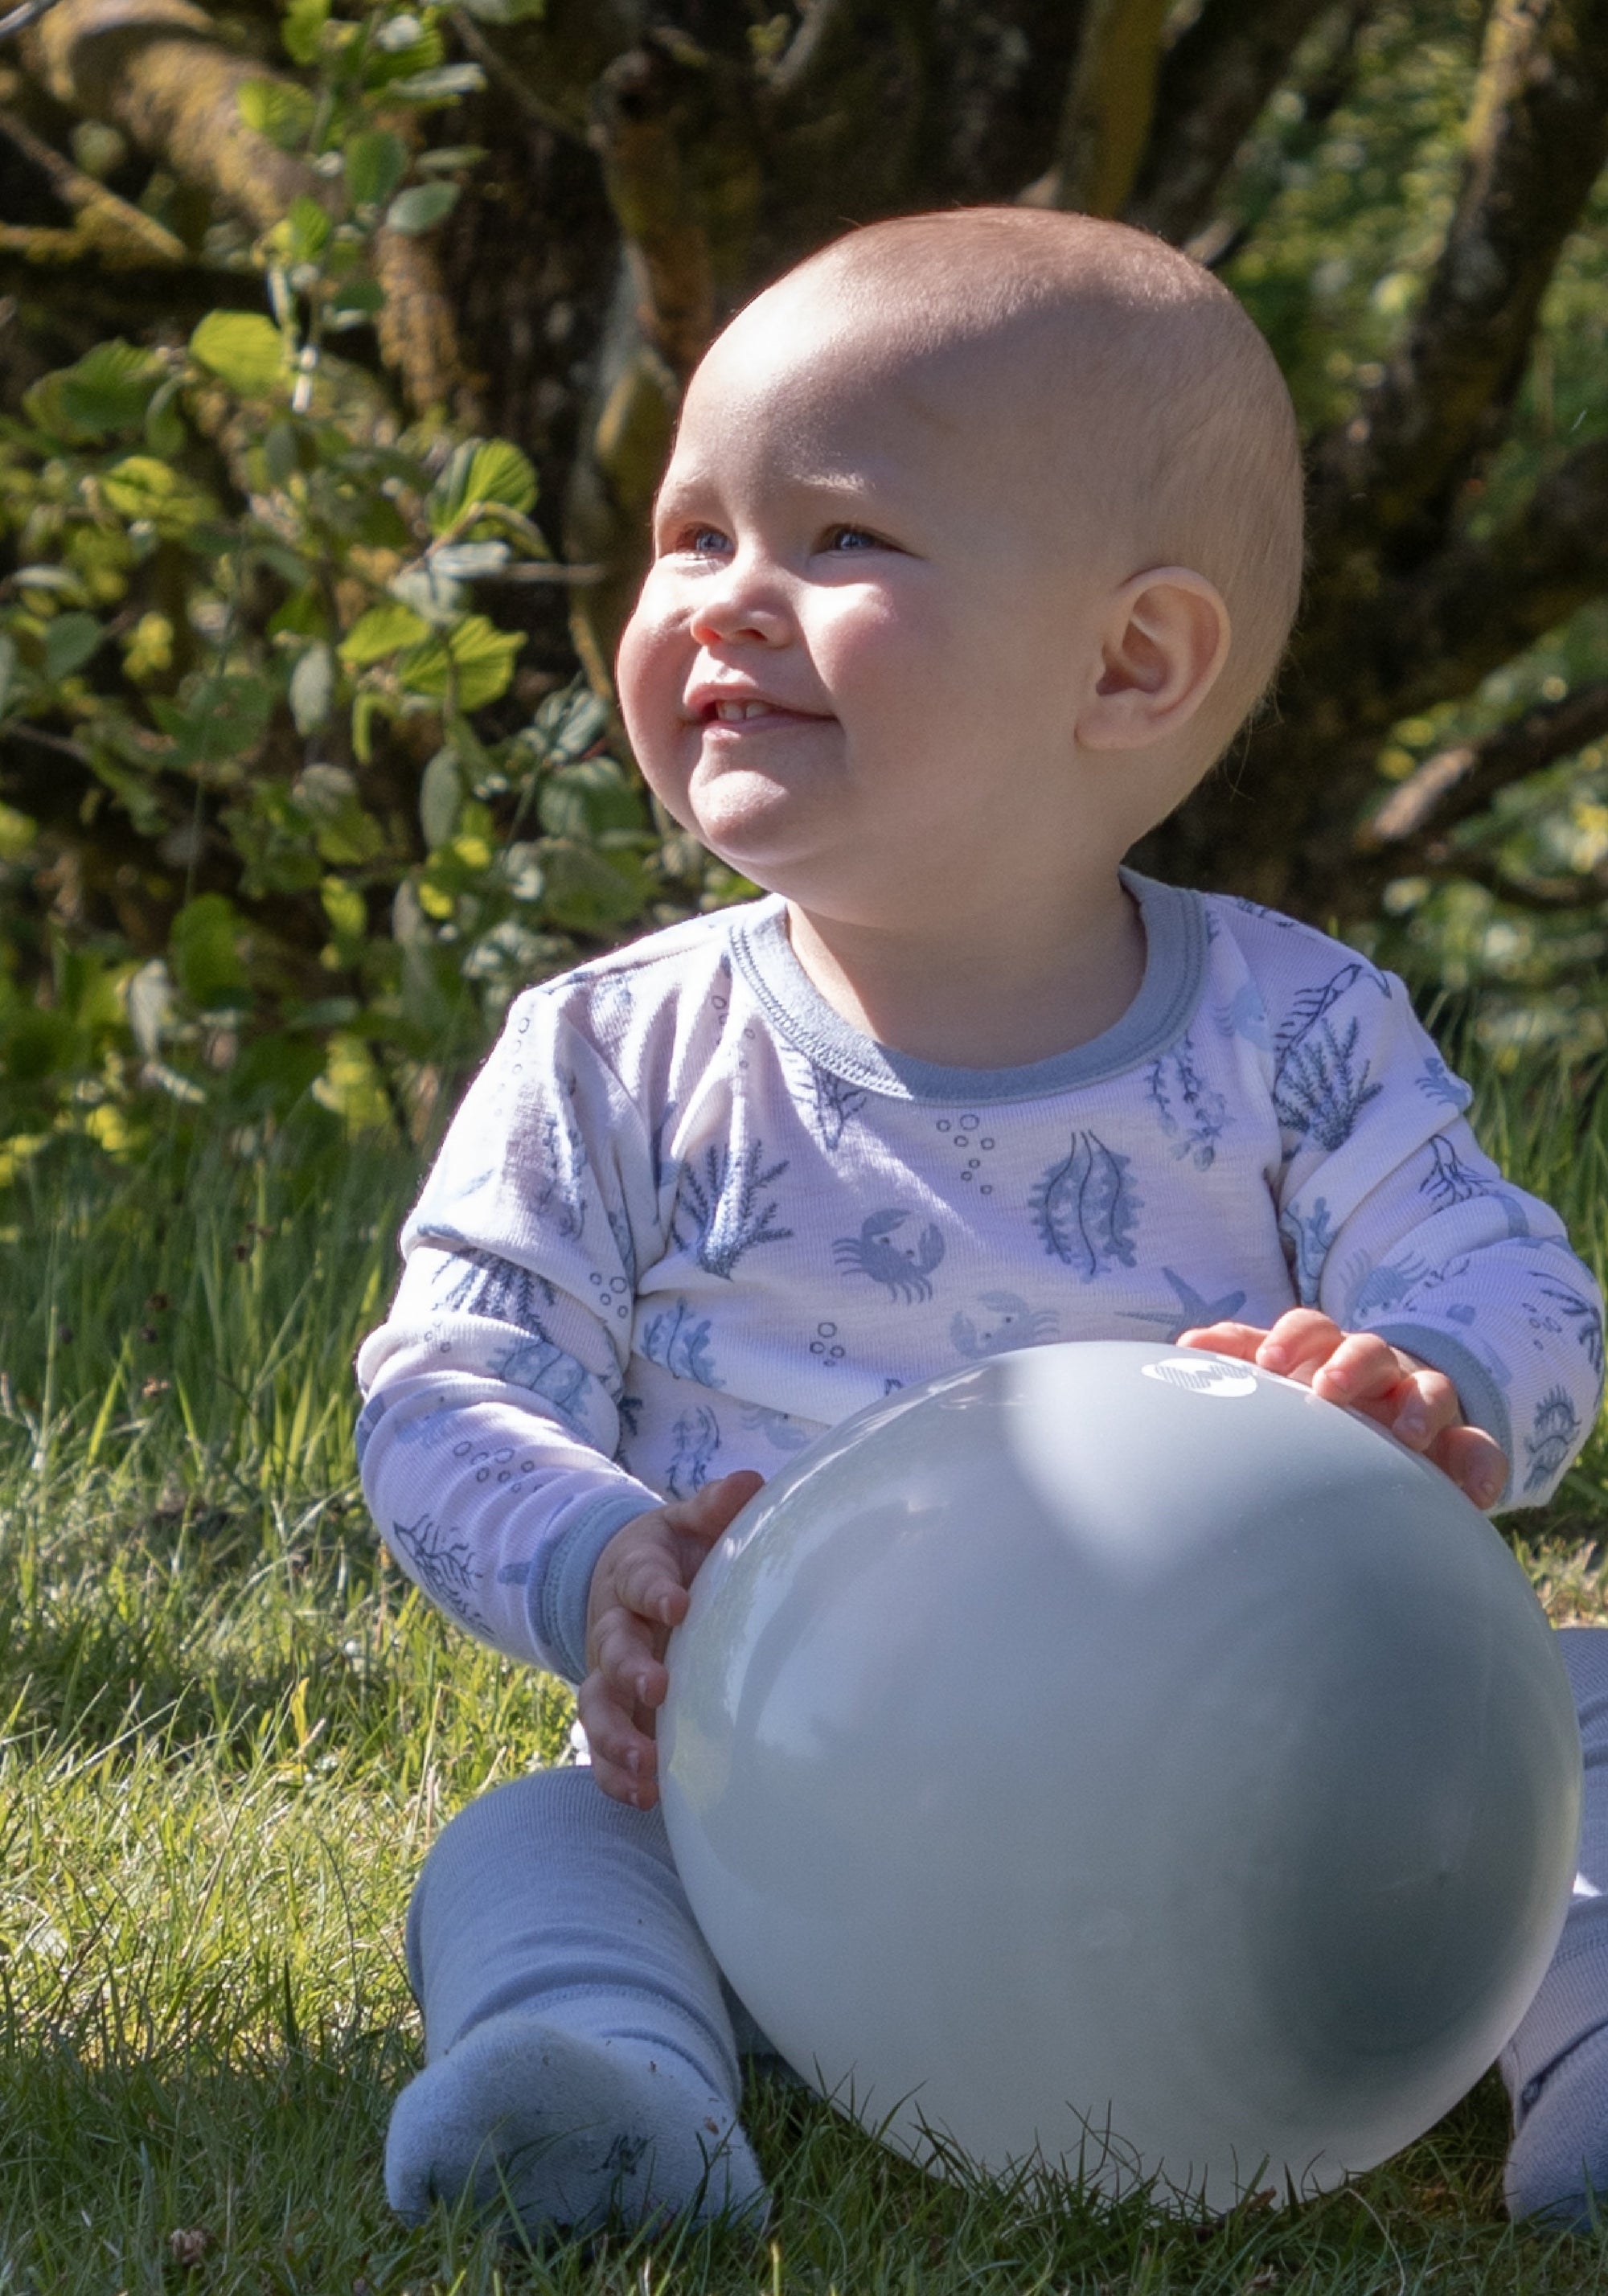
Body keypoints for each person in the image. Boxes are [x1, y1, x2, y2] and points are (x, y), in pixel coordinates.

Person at [355, 207, 1608, 2237]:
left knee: (1584, 1716)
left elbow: (1516, 1288)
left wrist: (1425, 1381)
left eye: (839, 540)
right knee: (532, 1848)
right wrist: (599, 1568)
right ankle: (605, 2093)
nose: (727, 604)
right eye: (693, 535)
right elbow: (442, 1396)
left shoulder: (1293, 1035)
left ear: (1130, 662)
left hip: (1280, 1787)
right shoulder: (617, 1059)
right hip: (791, 1799)